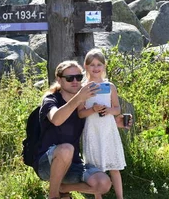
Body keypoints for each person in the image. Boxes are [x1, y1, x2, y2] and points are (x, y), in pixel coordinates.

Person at [37, 60, 115, 199]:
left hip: (73, 164)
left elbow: (96, 122)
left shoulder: (84, 103)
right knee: (66, 149)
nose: (75, 81)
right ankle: (53, 195)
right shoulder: (50, 99)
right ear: (59, 79)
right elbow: (56, 119)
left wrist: (120, 122)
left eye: (78, 77)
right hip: (47, 164)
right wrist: (78, 99)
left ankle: (63, 188)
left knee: (104, 183)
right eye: (69, 78)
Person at [78, 49, 126, 199]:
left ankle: (120, 197)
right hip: (92, 130)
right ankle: (98, 197)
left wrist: (108, 110)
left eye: (99, 64)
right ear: (86, 67)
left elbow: (117, 109)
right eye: (92, 65)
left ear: (104, 66)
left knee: (114, 168)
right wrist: (93, 109)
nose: (96, 67)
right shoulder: (83, 88)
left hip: (108, 130)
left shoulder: (110, 86)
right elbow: (80, 113)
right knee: (96, 168)